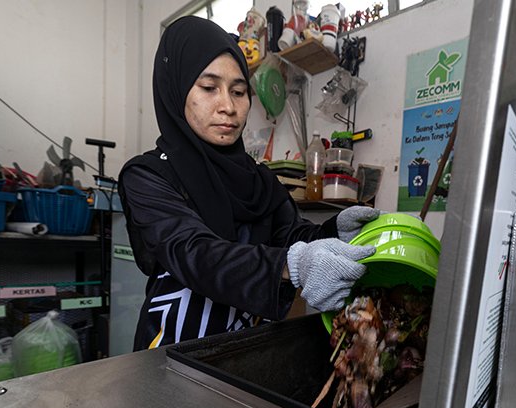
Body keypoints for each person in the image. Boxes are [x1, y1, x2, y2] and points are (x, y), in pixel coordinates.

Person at [118, 16, 378, 351]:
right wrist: (291, 265)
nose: (228, 107)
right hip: (169, 355)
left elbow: (292, 236)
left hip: (245, 351)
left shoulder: (259, 180)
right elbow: (195, 253)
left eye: (239, 92)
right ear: (176, 89)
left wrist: (334, 231)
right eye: (209, 88)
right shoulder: (149, 176)